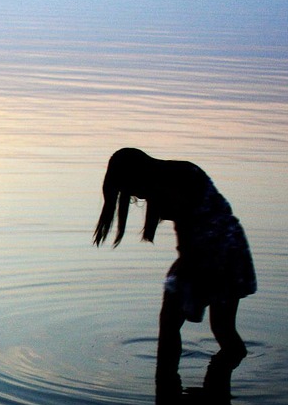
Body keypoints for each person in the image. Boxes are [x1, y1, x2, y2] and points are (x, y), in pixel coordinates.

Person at [93, 148, 256, 371]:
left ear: (137, 174)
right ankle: (214, 386)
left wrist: (185, 270)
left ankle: (168, 386)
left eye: (129, 188)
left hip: (216, 253)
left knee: (177, 324)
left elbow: (191, 227)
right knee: (220, 328)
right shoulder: (171, 174)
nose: (135, 197)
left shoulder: (172, 180)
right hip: (227, 248)